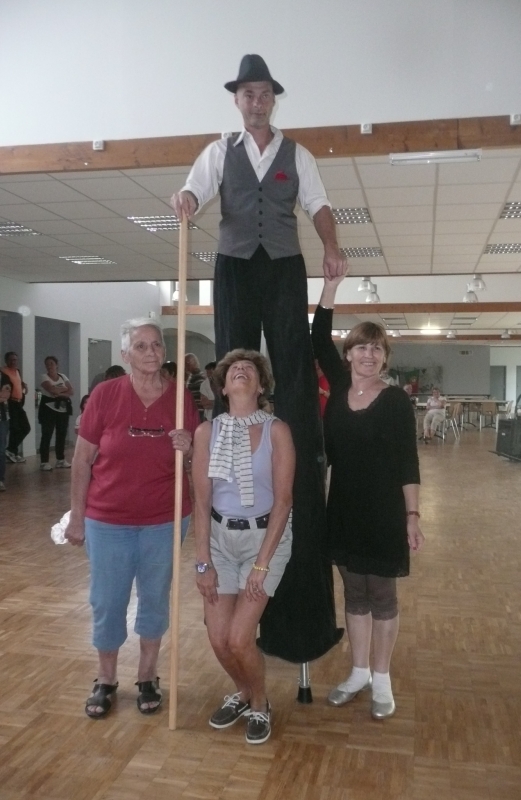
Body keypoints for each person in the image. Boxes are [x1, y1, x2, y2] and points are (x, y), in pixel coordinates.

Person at [171, 53, 345, 662]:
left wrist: (330, 246)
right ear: (238, 100)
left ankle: (292, 428)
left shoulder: (299, 155)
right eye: (247, 93)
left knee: (291, 356)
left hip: (285, 264)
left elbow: (318, 205)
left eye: (264, 92)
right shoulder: (220, 151)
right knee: (233, 356)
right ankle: (233, 428)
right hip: (235, 263)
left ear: (273, 97)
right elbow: (196, 188)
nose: (256, 101)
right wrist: (185, 198)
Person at [64, 319, 197, 719]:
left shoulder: (180, 398)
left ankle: (147, 674)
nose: (151, 352)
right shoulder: (105, 395)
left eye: (156, 345)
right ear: (125, 355)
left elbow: (196, 460)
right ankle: (106, 678)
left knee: (155, 597)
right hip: (108, 520)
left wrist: (190, 448)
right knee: (107, 599)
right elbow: (82, 460)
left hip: (164, 519)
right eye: (141, 346)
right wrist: (76, 517)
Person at [312, 271, 424, 720]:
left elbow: (408, 463)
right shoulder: (339, 390)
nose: (368, 354)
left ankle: (382, 679)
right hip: (343, 508)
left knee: (382, 595)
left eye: (377, 348)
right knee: (353, 593)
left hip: (383, 512)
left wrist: (412, 516)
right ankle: (358, 672)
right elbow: (317, 335)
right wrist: (330, 288)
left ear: (385, 358)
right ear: (348, 354)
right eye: (361, 346)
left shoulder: (395, 401)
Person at [192, 349, 295, 744]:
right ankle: (243, 692)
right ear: (222, 387)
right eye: (234, 368)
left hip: (265, 540)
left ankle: (260, 703)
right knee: (218, 640)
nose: (240, 370)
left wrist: (262, 565)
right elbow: (202, 502)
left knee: (239, 638)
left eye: (249, 368)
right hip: (219, 540)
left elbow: (284, 501)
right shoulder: (206, 433)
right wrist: (203, 562)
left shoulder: (277, 431)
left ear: (260, 385)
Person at [38, 356, 74, 471]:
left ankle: (60, 460)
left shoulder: (63, 376)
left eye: (51, 363)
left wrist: (59, 393)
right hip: (48, 410)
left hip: (62, 409)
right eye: (47, 364)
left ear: (56, 365)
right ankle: (44, 462)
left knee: (61, 434)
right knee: (47, 434)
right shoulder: (44, 377)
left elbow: (71, 391)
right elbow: (52, 390)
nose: (49, 366)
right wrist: (63, 389)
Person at [1, 351, 30, 463]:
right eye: (11, 360)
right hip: (10, 403)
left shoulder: (17, 371)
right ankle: (12, 451)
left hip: (18, 403)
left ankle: (11, 451)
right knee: (15, 428)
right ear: (6, 360)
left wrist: (23, 385)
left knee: (25, 427)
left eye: (15, 360)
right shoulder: (3, 371)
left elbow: (18, 382)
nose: (13, 362)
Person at [185, 353, 204, 421]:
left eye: (186, 363)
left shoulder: (199, 377)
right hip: (194, 410)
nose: (185, 367)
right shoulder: (191, 377)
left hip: (199, 410)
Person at [0, 371, 11, 491]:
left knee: (1, 450)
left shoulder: (4, 377)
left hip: (2, 419)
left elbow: (5, 395)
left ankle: (0, 480)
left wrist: (2, 396)